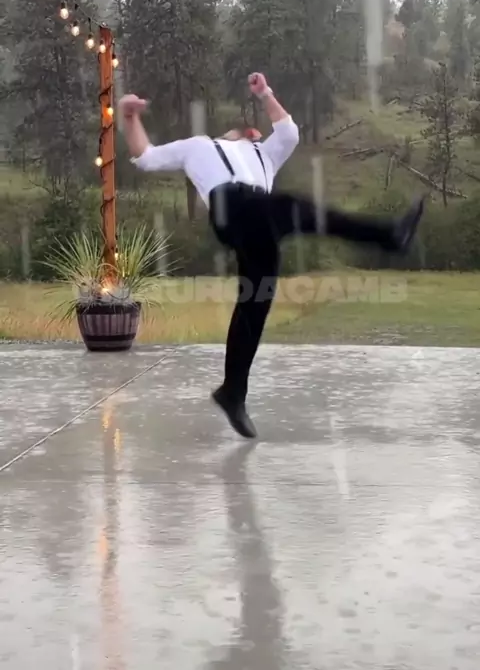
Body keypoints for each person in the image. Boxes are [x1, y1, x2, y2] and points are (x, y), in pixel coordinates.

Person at [118, 74, 424, 439]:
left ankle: (232, 392)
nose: (247, 131)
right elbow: (146, 157)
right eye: (241, 129)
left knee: (254, 305)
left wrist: (265, 94)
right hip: (232, 207)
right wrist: (129, 117)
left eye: (252, 130)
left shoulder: (265, 155)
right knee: (295, 207)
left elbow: (289, 132)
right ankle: (389, 236)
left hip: (261, 227)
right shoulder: (199, 146)